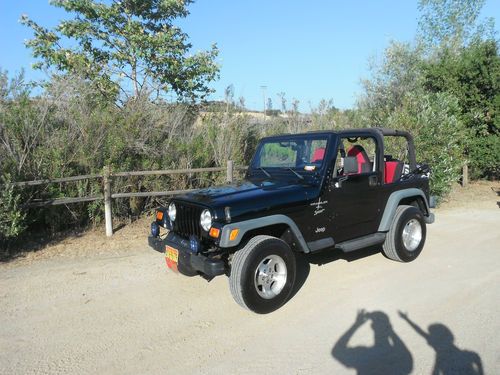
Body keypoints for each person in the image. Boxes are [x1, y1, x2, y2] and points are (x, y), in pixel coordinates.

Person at [399, 311, 483, 375]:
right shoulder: (466, 355)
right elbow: (476, 358)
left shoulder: (440, 357)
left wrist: (406, 319)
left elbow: (420, 331)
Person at [332, 310, 413, 375]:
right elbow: (402, 350)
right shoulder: (400, 359)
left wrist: (356, 325)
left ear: (372, 327)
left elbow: (337, 351)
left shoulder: (364, 355)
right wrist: (390, 330)